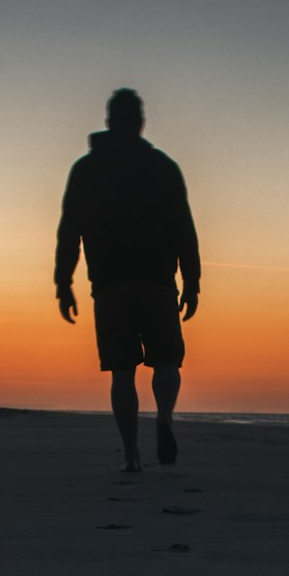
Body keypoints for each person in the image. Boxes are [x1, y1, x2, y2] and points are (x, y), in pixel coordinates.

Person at [55, 88, 200, 471]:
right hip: (157, 281)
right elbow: (184, 228)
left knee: (122, 371)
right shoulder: (162, 167)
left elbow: (69, 230)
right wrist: (192, 281)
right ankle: (165, 414)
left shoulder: (86, 170)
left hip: (110, 283)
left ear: (107, 122)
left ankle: (132, 455)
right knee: (167, 360)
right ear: (140, 123)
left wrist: (63, 283)